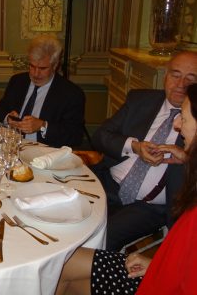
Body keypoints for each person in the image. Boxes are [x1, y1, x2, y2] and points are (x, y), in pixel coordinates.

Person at [56, 83, 197, 295]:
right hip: (162, 270)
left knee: (64, 271)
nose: (176, 124)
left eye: (184, 118)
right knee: (63, 263)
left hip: (161, 284)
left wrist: (159, 270)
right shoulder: (142, 101)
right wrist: (155, 263)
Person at [91, 50, 197, 251]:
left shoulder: (194, 122)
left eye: (190, 79)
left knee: (100, 238)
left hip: (148, 206)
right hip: (107, 184)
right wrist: (134, 146)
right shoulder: (140, 100)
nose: (181, 84)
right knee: (61, 212)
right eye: (175, 75)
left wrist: (187, 158)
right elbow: (100, 136)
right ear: (165, 76)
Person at [0, 33, 85, 147]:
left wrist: (43, 126)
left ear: (55, 65)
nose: (35, 74)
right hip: (11, 147)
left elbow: (74, 136)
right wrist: (8, 118)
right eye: (32, 66)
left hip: (46, 153)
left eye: (42, 68)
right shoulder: (17, 82)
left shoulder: (71, 93)